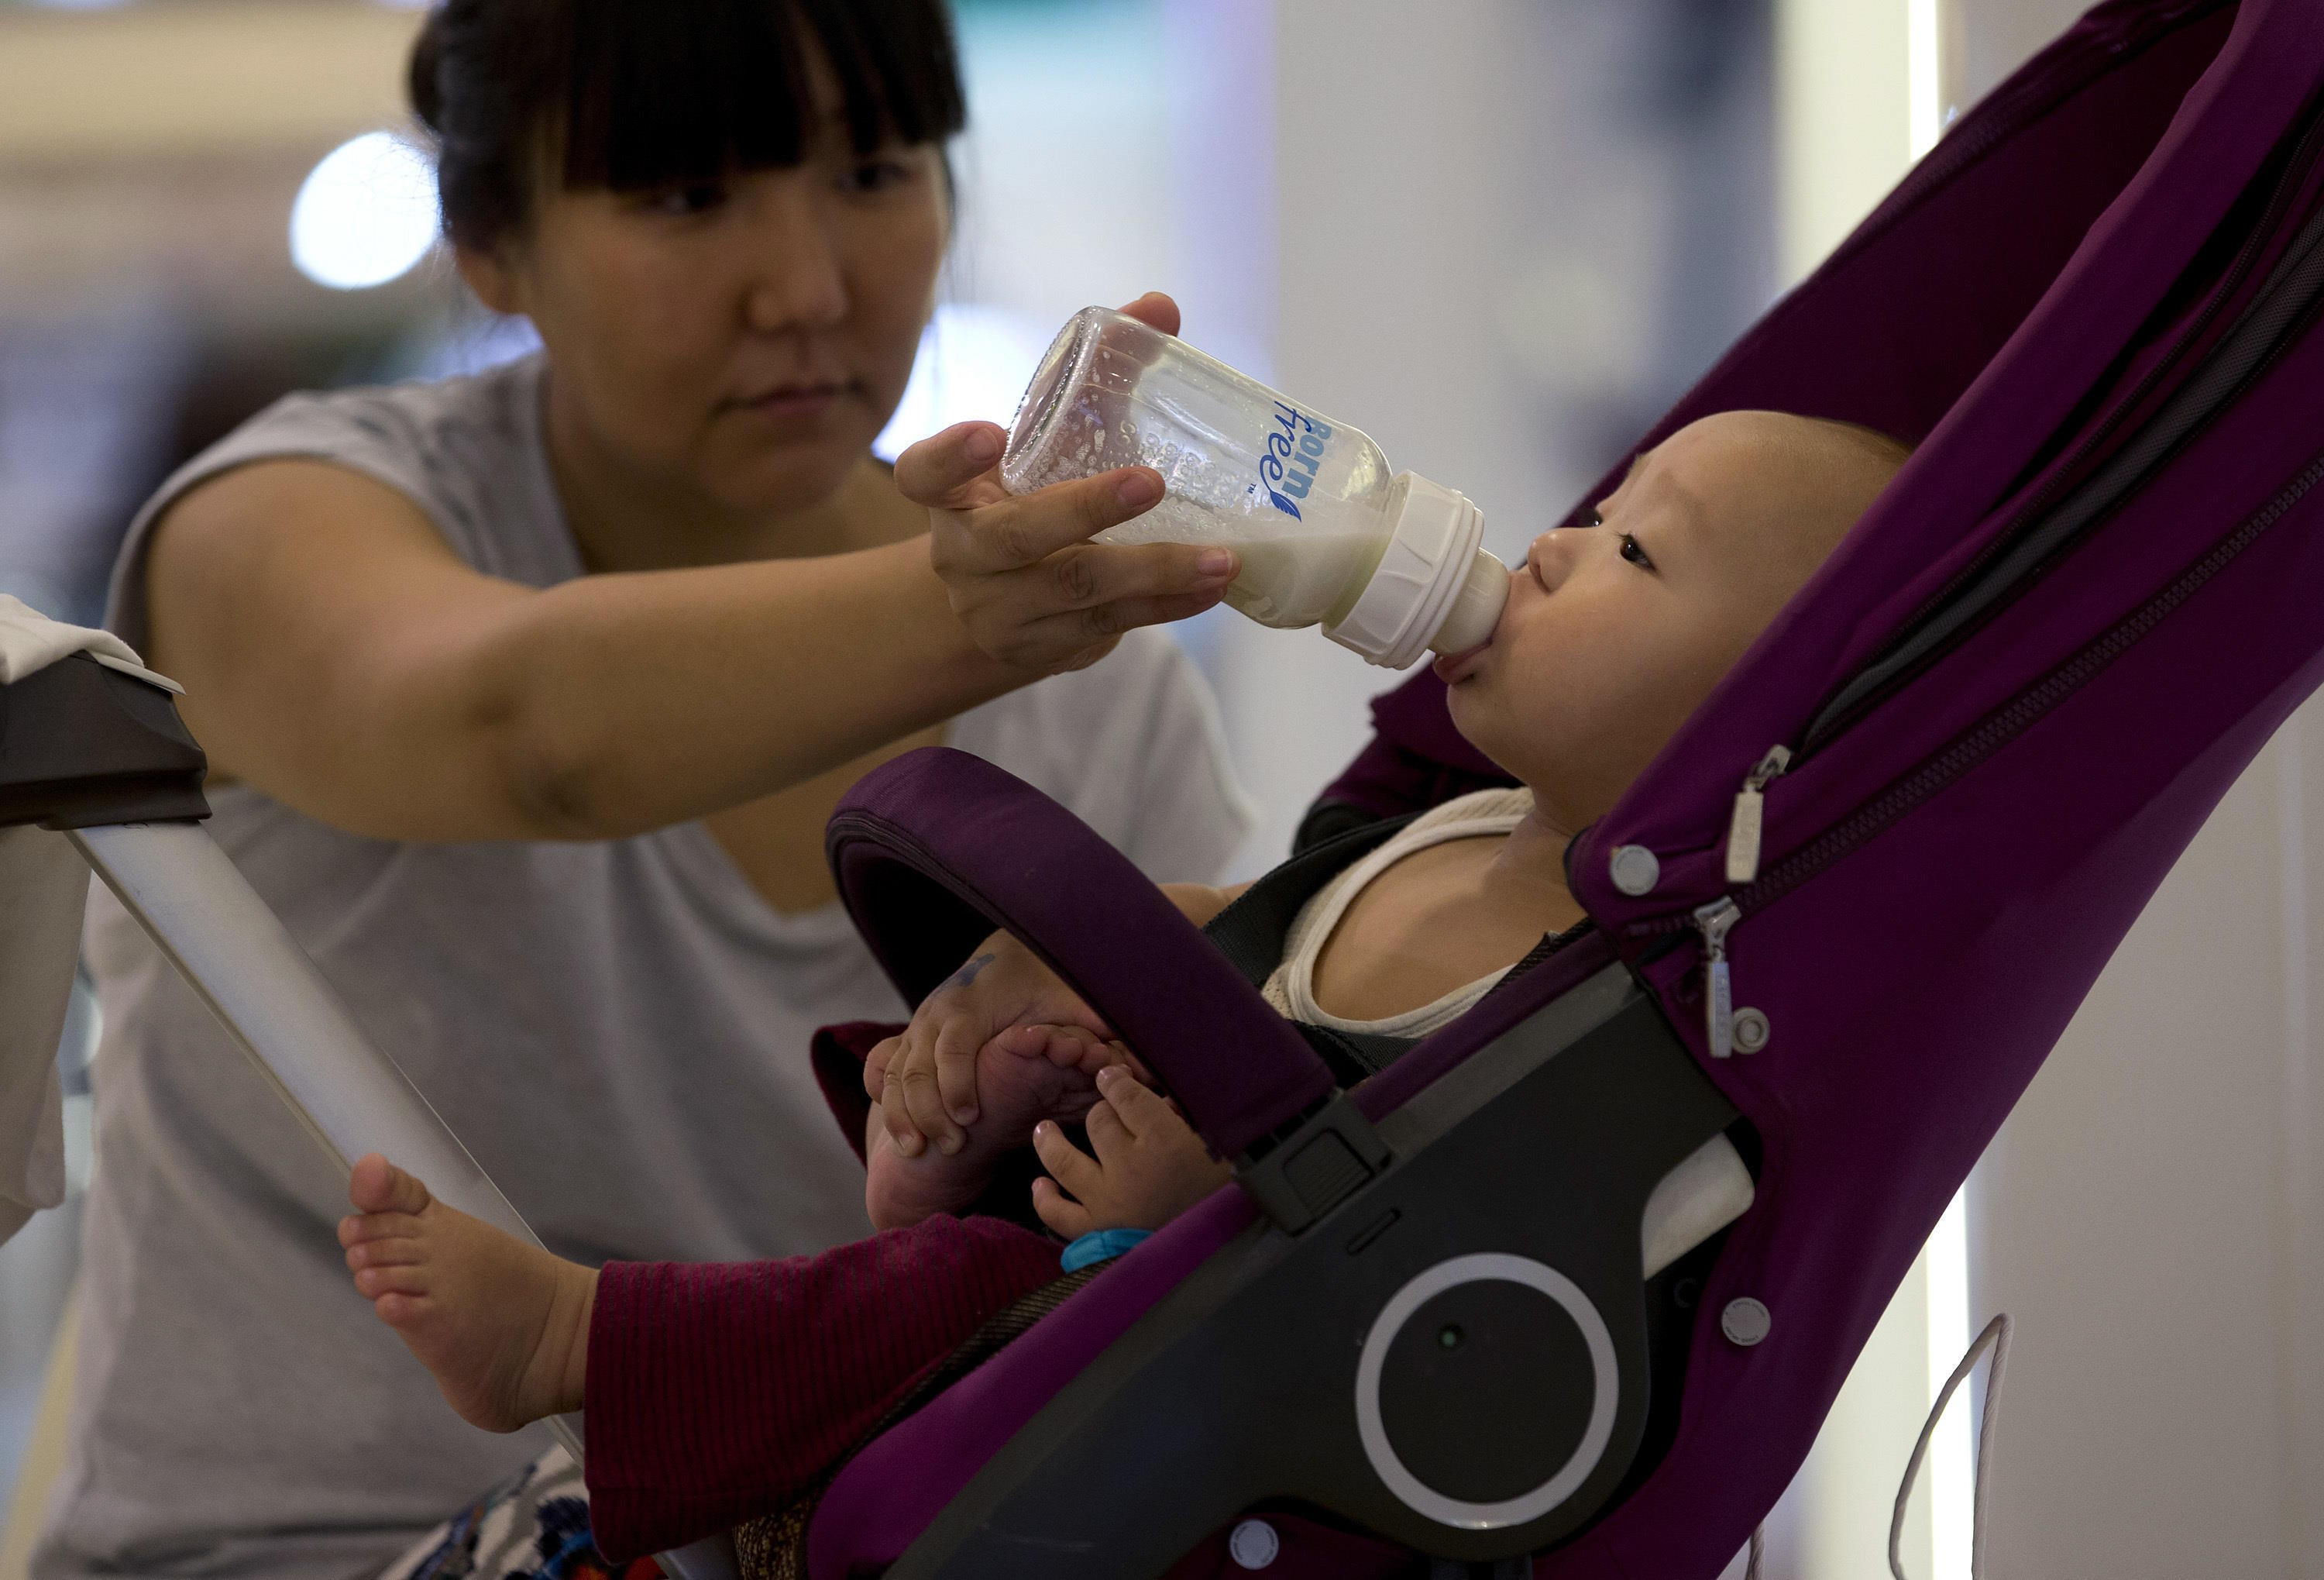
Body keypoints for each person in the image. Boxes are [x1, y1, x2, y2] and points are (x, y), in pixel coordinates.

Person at [32, 4, 1253, 1578]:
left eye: (875, 172)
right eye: (686, 200)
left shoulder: (1099, 701)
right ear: (491, 246)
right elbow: (519, 727)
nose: (806, 289)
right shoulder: (272, 531)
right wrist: (967, 618)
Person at [332, 409, 1910, 1566]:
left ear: (1757, 738)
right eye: (1606, 499)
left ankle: (575, 1347)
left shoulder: (1586, 1014)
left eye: (1637, 551)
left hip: (1200, 1384)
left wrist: (1189, 1207)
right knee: (948, 1237)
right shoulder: (1449, 829)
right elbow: (1199, 933)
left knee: (960, 1297)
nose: (1556, 543)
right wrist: (1015, 1006)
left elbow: (1404, 1239)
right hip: (1074, 1288)